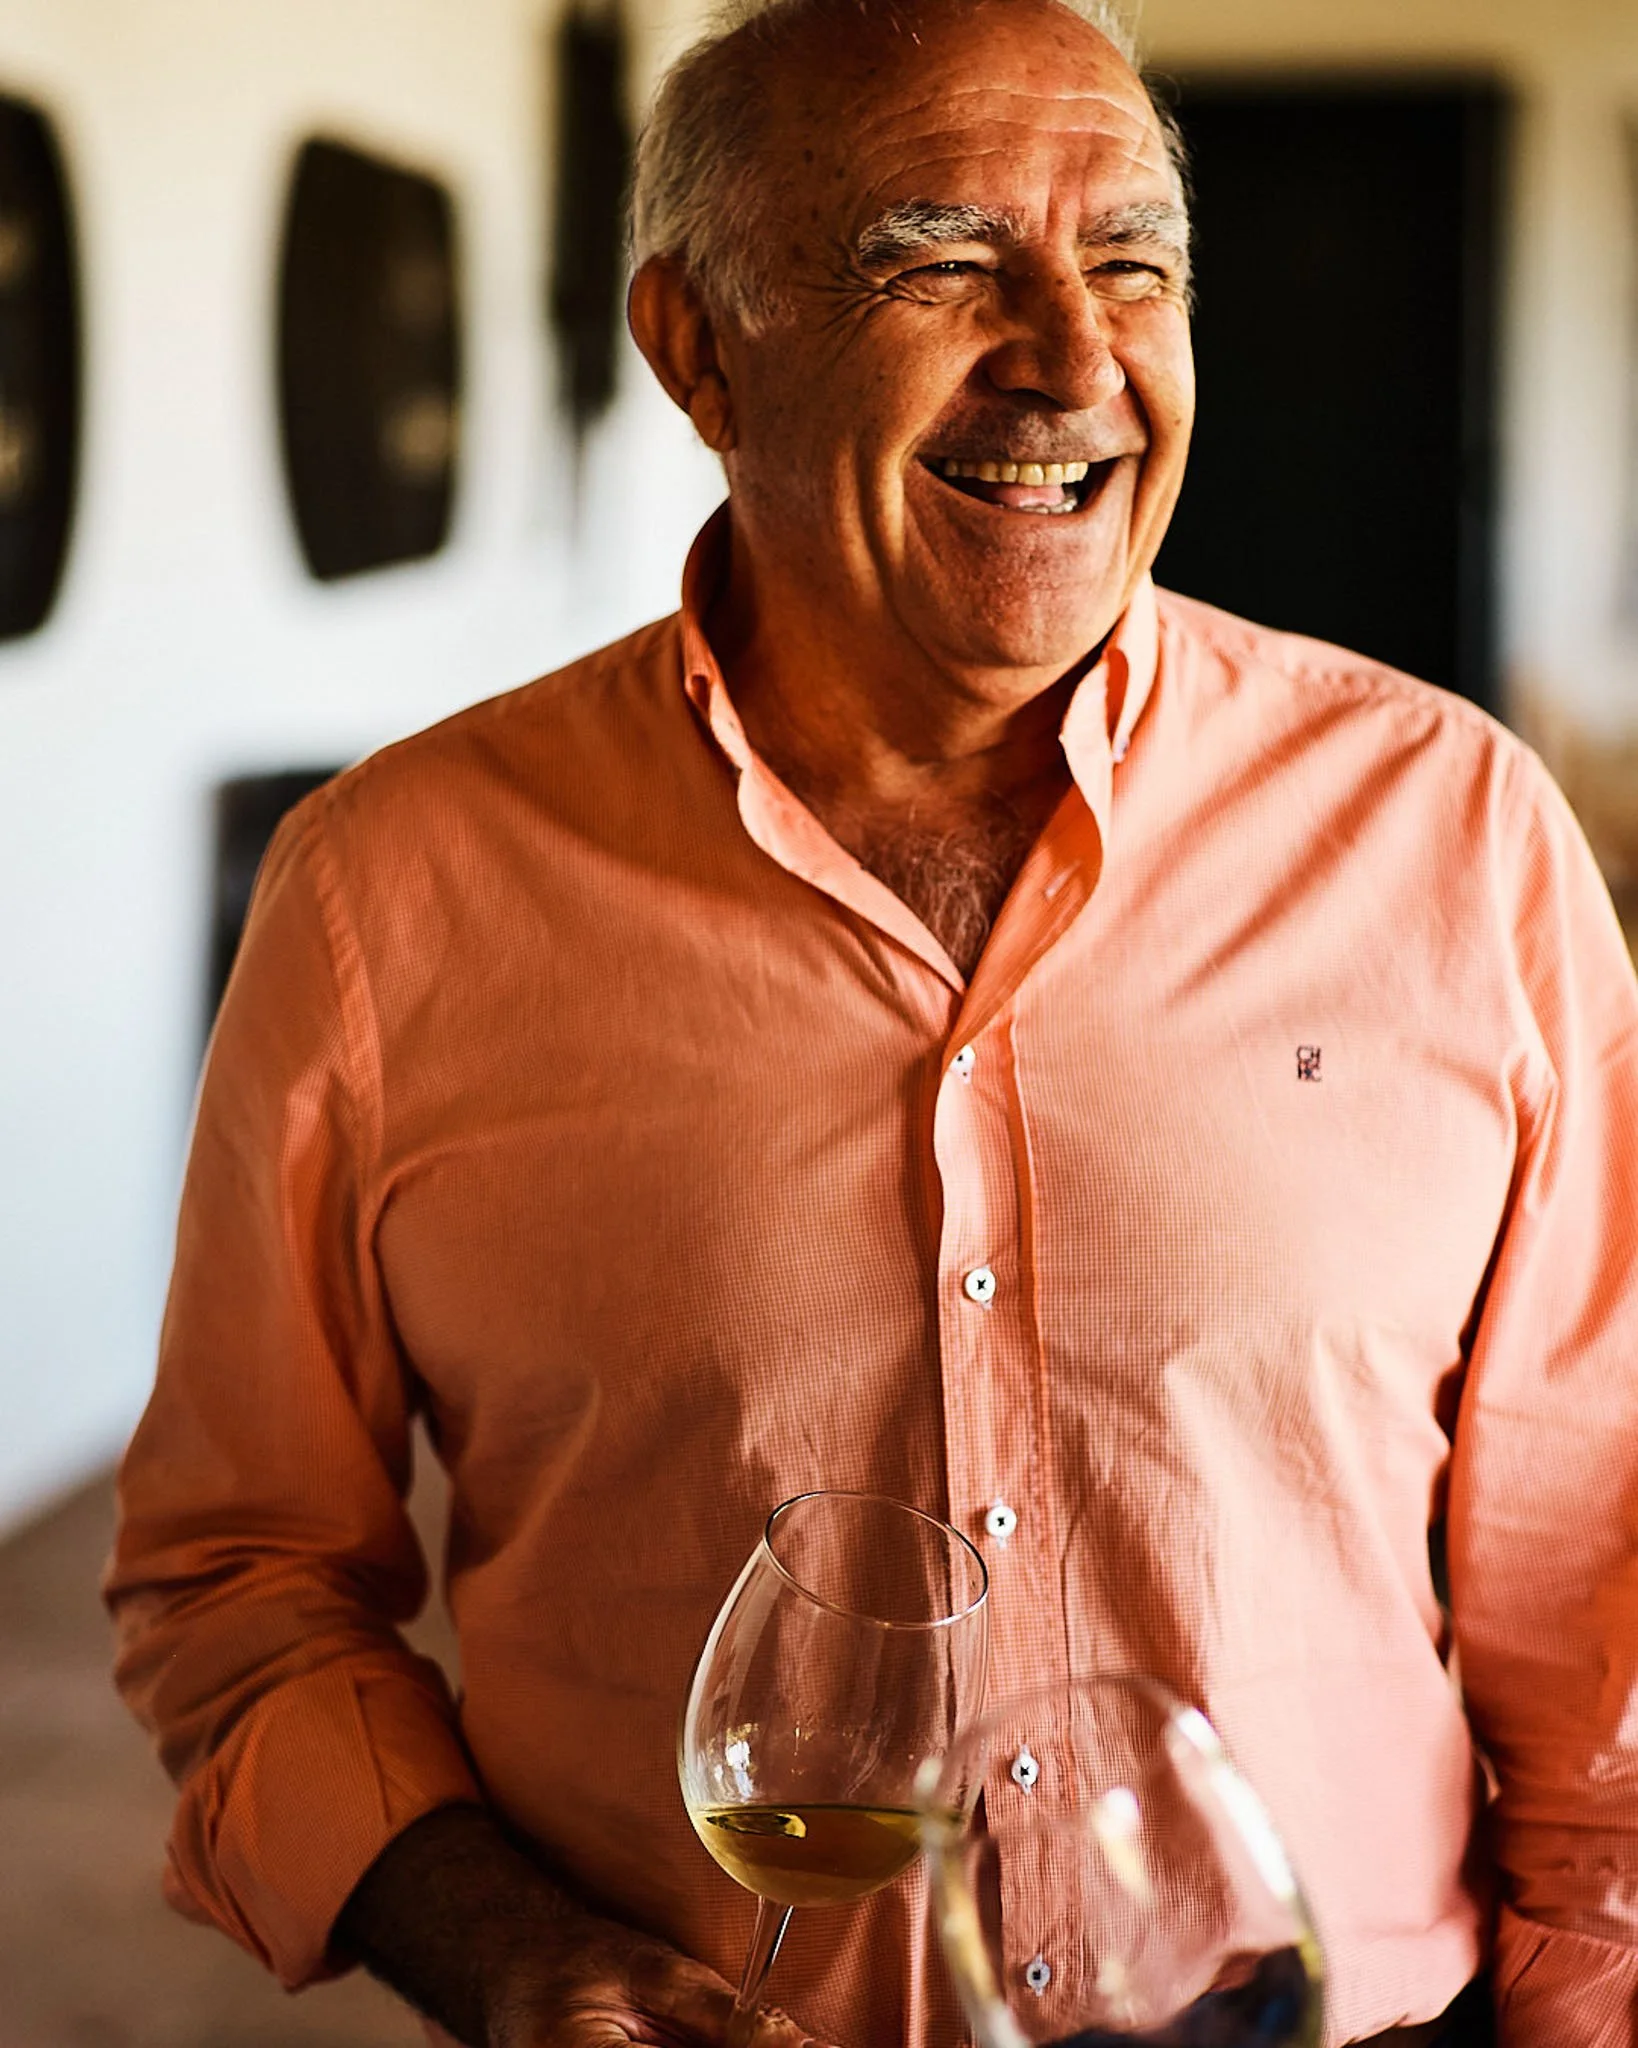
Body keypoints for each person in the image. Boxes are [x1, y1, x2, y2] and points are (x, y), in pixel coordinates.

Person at [106, 0, 1638, 2043]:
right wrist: (491, 1939)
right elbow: (241, 1575)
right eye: (942, 265)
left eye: (1134, 265)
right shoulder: (392, 894)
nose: (1075, 362)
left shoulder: (1455, 837)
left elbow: (1606, 1568)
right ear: (695, 348)